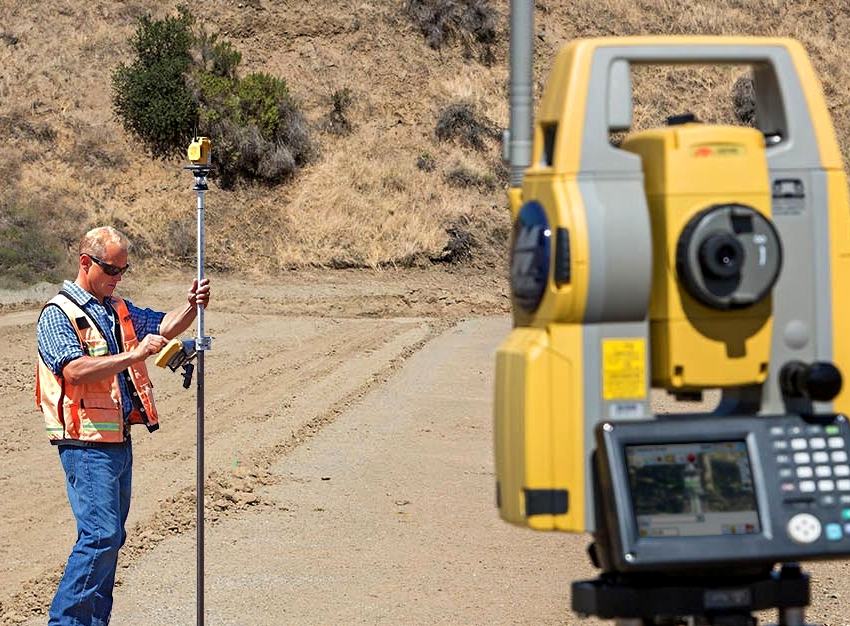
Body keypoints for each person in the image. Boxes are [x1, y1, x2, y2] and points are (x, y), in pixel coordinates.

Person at [35, 226, 211, 626]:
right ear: (86, 262)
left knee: (111, 541)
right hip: (84, 442)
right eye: (111, 270)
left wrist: (192, 307)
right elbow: (74, 369)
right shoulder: (59, 313)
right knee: (100, 537)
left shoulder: (115, 308)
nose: (117, 277)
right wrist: (133, 355)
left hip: (117, 440)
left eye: (122, 271)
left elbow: (163, 326)